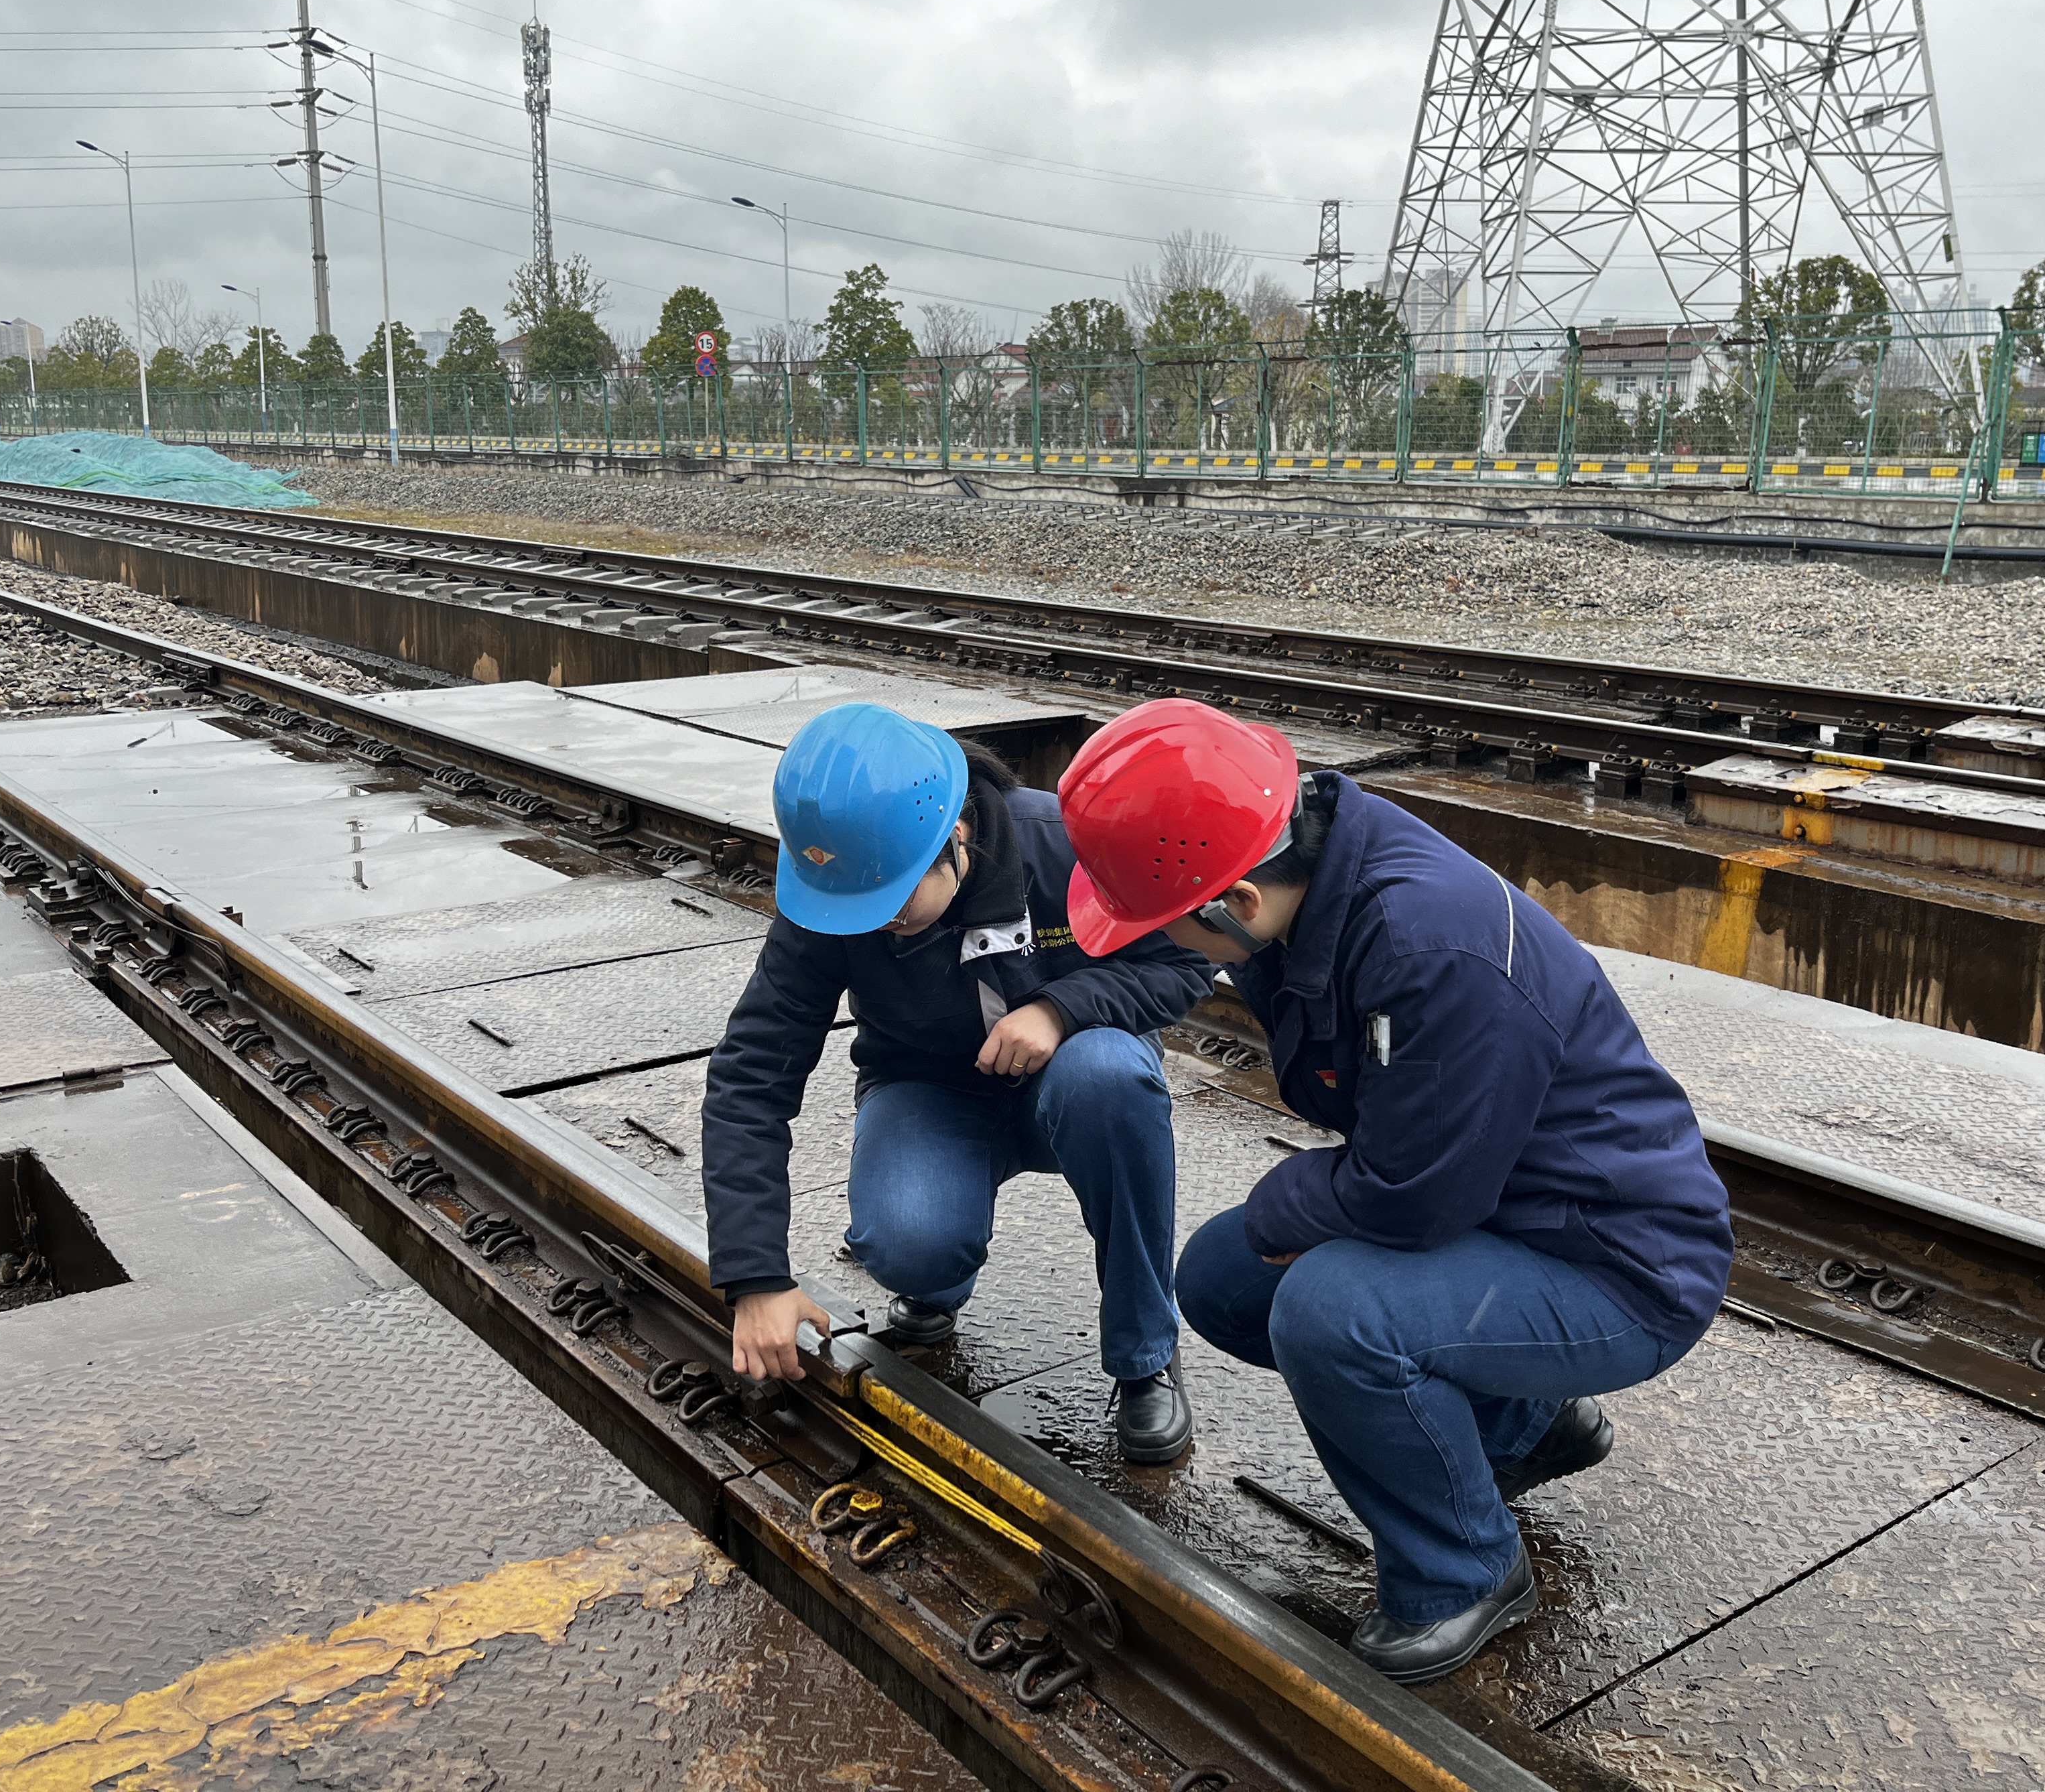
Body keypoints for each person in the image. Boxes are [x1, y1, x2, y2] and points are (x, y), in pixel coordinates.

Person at [1059, 698, 1733, 1683]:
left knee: (1334, 1316)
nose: (1169, 951)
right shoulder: (1311, 885)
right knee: (1221, 1276)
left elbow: (1416, 1196)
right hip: (1509, 1215)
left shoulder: (1427, 946)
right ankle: (1525, 1426)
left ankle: (1464, 1572)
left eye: (1171, 928)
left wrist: (1292, 1201)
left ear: (1236, 900)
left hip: (1620, 1267)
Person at [703, 701, 1213, 1462]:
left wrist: (1061, 1008)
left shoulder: (1065, 847)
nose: (872, 925)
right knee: (906, 1238)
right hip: (929, 1089)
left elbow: (1186, 963)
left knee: (1112, 1076)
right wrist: (754, 1277)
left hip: (1071, 1083)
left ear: (957, 839)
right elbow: (751, 1076)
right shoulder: (835, 891)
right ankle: (933, 1284)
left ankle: (1145, 1355)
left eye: (892, 905)